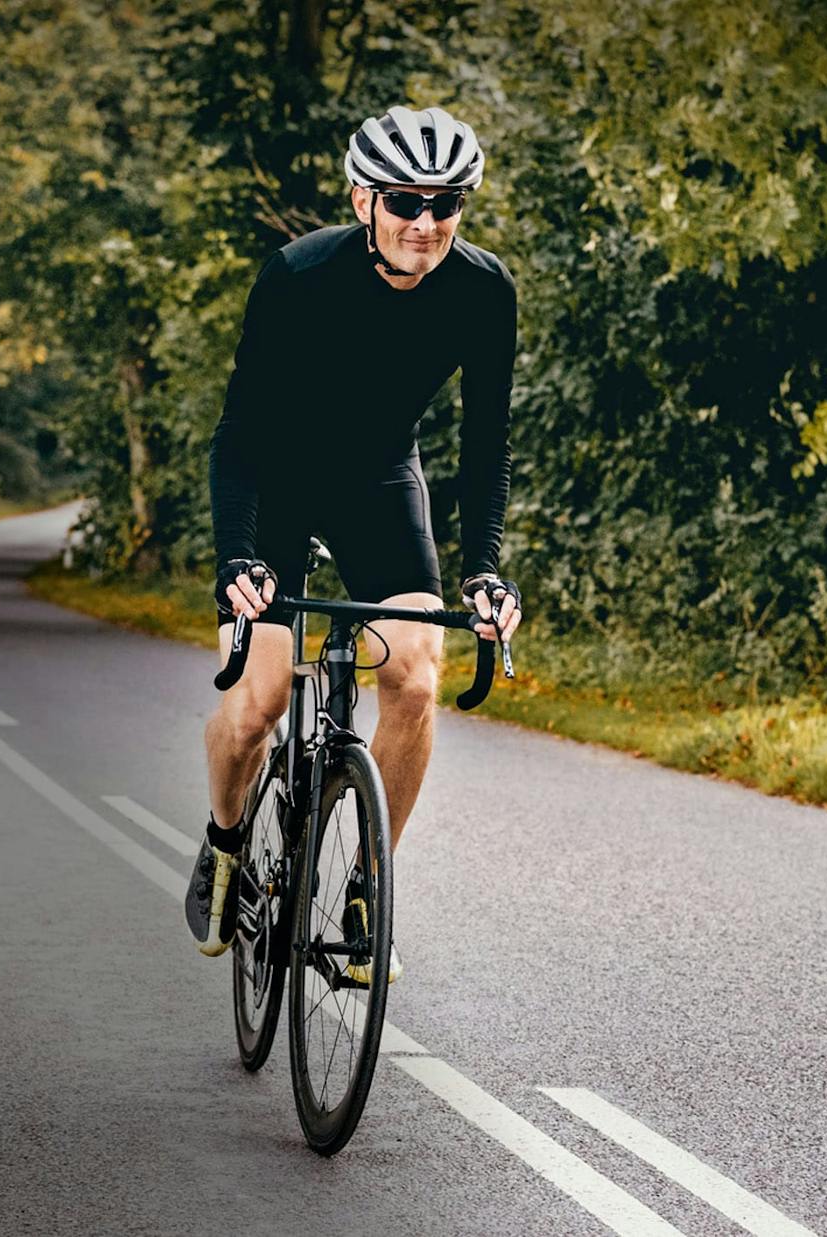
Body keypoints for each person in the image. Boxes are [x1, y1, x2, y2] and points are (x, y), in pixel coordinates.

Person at [185, 105, 524, 983]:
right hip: (277, 484)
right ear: (362, 198)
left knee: (414, 676)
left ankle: (368, 886)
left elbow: (487, 447)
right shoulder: (299, 275)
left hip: (379, 482)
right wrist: (236, 558)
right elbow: (236, 435)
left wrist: (485, 568)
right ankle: (226, 844)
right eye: (407, 200)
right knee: (256, 703)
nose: (426, 222)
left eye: (447, 204)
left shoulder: (484, 291)